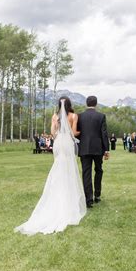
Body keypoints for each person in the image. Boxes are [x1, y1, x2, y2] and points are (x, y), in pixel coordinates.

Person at [15, 97, 86, 235]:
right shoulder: (73, 116)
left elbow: (53, 133)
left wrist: (58, 129)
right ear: (70, 104)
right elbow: (73, 132)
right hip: (67, 143)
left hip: (59, 142)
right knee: (69, 169)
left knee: (58, 165)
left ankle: (57, 193)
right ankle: (69, 200)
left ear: (59, 105)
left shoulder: (55, 116)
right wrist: (80, 133)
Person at [77, 96, 109, 208]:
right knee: (98, 170)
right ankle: (97, 195)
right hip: (97, 148)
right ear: (96, 104)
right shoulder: (101, 116)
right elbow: (104, 134)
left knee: (86, 173)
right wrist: (107, 150)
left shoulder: (80, 116)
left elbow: (77, 133)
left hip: (84, 148)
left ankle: (88, 199)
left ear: (86, 103)